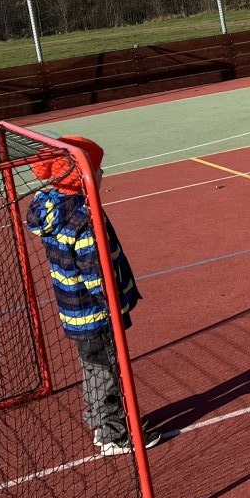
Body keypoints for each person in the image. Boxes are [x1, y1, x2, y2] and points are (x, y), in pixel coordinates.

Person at [25, 135, 162, 456]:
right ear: (82, 175)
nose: (103, 174)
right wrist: (114, 305)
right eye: (98, 169)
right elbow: (95, 274)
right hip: (95, 313)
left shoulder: (51, 203)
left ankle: (104, 422)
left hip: (74, 309)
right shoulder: (84, 220)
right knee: (106, 370)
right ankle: (113, 434)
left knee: (95, 369)